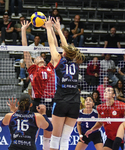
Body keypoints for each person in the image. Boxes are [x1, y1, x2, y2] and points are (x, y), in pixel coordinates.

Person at [45, 17, 84, 150]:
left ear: (65, 52)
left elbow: (51, 44)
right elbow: (66, 46)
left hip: (61, 100)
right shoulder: (76, 62)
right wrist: (59, 30)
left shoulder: (58, 60)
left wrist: (49, 29)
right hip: (74, 102)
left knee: (55, 138)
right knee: (65, 139)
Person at [21, 20, 56, 150]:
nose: (39, 57)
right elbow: (25, 50)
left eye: (40, 56)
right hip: (37, 102)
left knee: (49, 132)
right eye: (36, 57)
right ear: (34, 61)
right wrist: (23, 30)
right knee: (33, 132)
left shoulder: (50, 67)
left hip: (51, 102)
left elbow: (54, 48)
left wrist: (50, 29)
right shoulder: (32, 69)